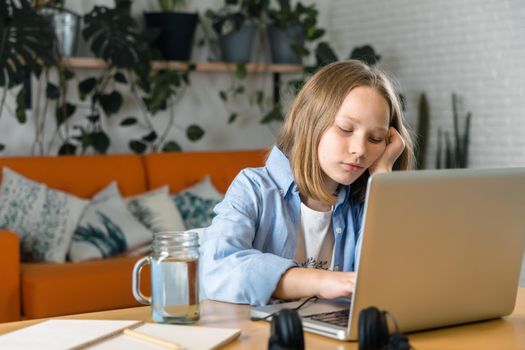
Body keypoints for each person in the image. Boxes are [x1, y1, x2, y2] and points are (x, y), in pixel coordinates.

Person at [200, 60, 414, 306]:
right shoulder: (253, 188)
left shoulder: (362, 202)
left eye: (376, 138)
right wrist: (322, 282)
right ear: (310, 122)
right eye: (345, 129)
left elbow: (394, 279)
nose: (359, 150)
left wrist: (382, 174)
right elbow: (217, 269)